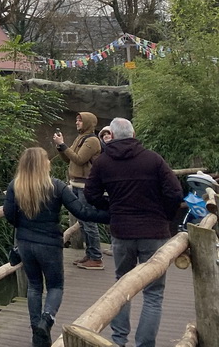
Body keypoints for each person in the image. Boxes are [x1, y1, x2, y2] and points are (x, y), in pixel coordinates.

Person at [84, 118, 184, 347]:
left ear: (113, 135)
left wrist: (112, 207)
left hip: (122, 231)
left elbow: (91, 195)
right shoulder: (153, 160)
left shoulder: (103, 162)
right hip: (154, 232)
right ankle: (145, 344)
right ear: (133, 133)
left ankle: (119, 340)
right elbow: (175, 193)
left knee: (121, 286)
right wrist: (164, 215)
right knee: (153, 293)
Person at [4, 147, 110, 347]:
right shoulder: (56, 186)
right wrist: (111, 214)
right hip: (50, 245)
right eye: (47, 160)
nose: (50, 163)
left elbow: (9, 214)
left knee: (34, 287)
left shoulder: (14, 186)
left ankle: (37, 332)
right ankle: (47, 319)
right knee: (55, 286)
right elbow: (82, 211)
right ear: (42, 164)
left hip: (25, 244)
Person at [52, 111, 104, 269]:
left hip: (85, 186)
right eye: (76, 120)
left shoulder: (93, 140)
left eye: (80, 121)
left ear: (88, 122)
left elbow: (80, 159)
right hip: (75, 184)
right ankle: (89, 254)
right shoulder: (80, 138)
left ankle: (96, 257)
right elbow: (68, 158)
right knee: (82, 222)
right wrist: (60, 147)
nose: (77, 123)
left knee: (89, 222)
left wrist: (63, 145)